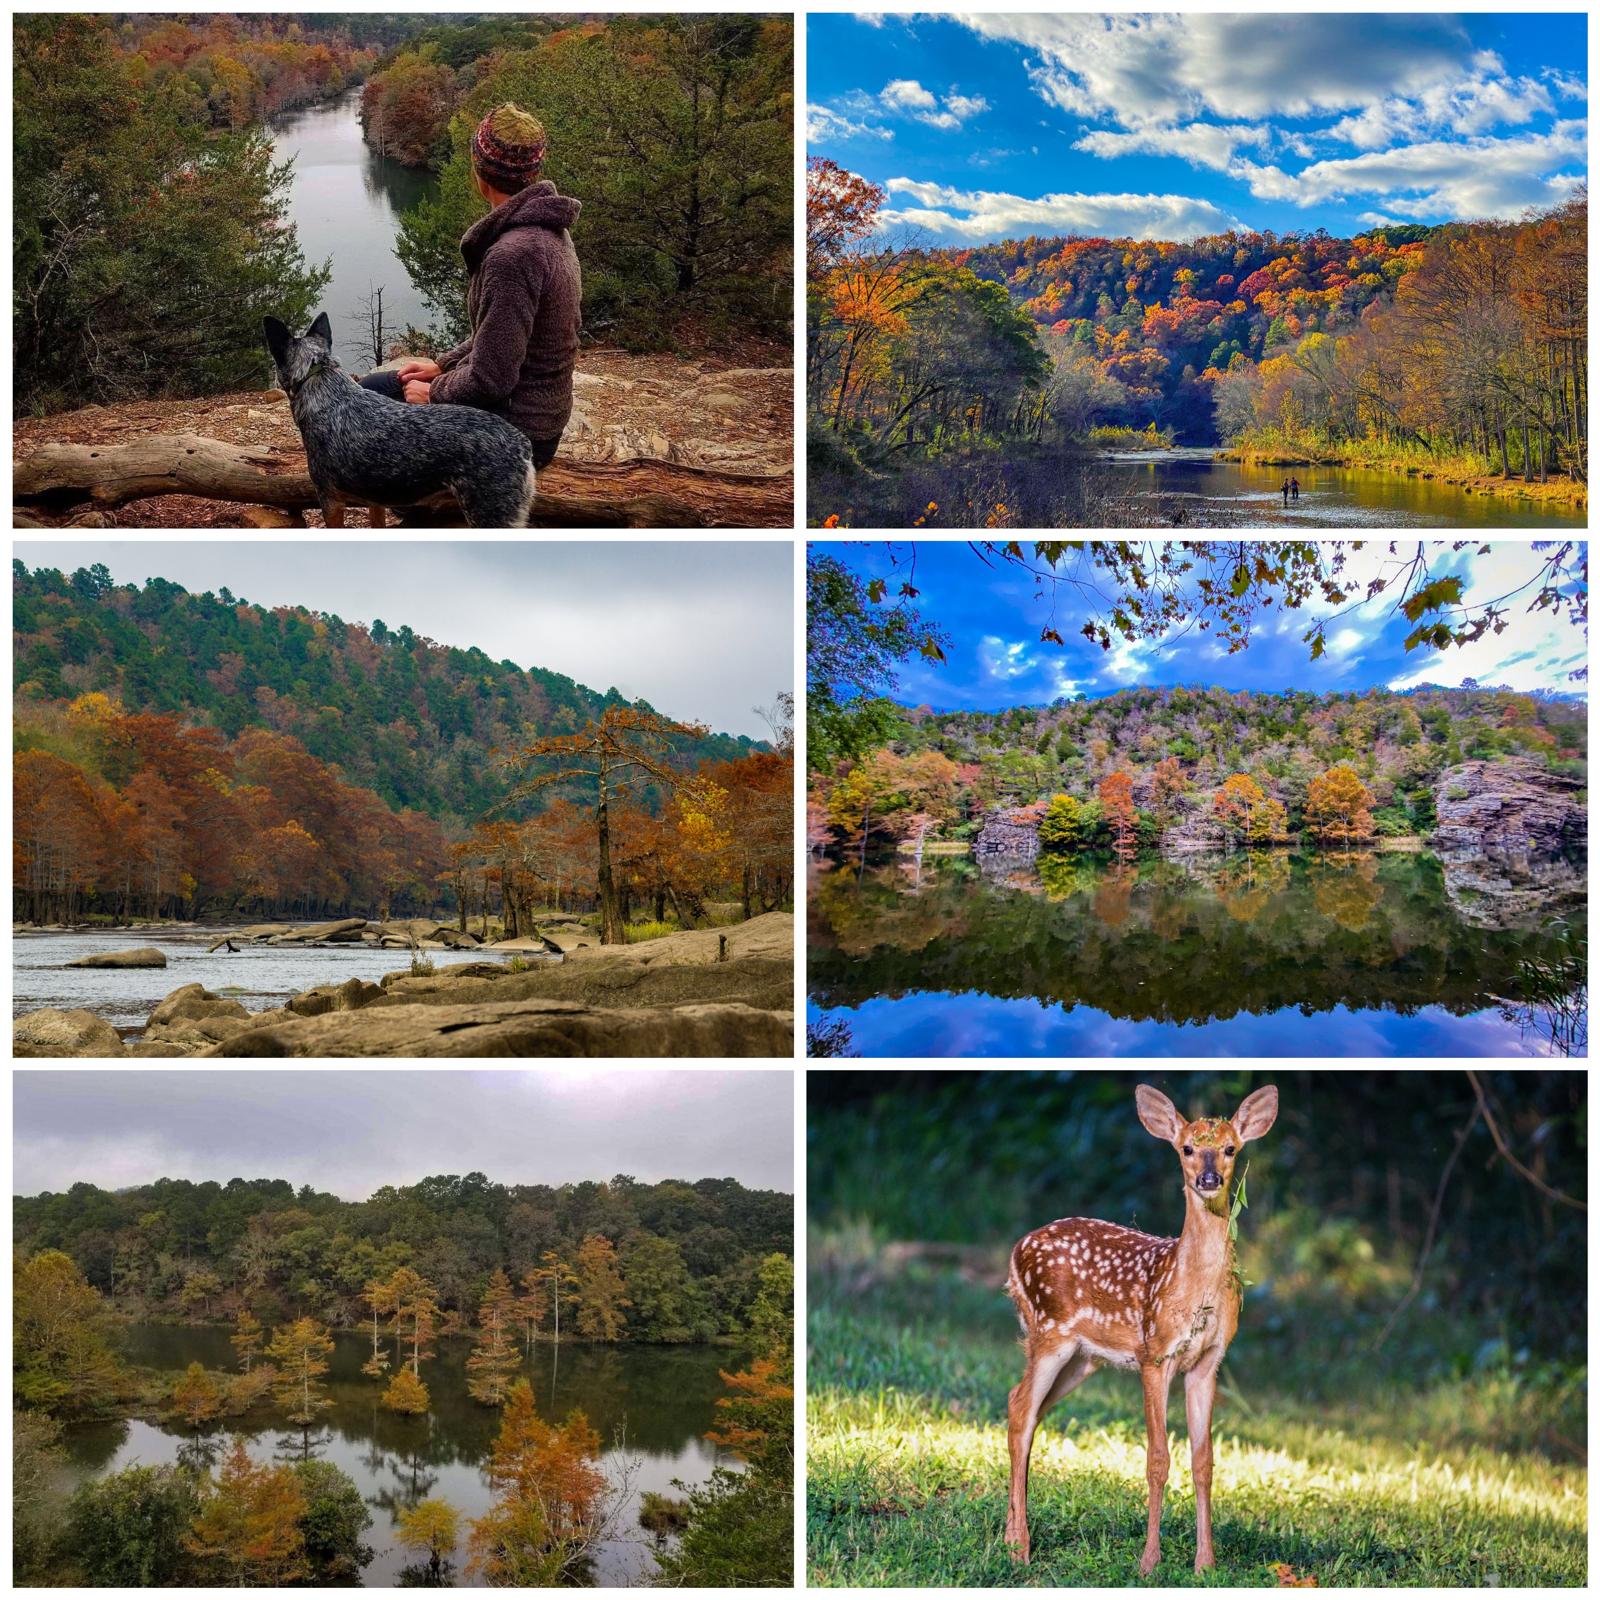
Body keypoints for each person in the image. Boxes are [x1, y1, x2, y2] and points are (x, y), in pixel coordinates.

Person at [361, 104, 582, 471]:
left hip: (518, 432)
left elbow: (492, 379)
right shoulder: (548, 229)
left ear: (479, 172)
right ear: (534, 172)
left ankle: (415, 517)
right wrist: (443, 364)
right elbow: (500, 337)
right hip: (536, 413)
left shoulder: (512, 255)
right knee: (374, 388)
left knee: (371, 406)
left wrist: (436, 393)